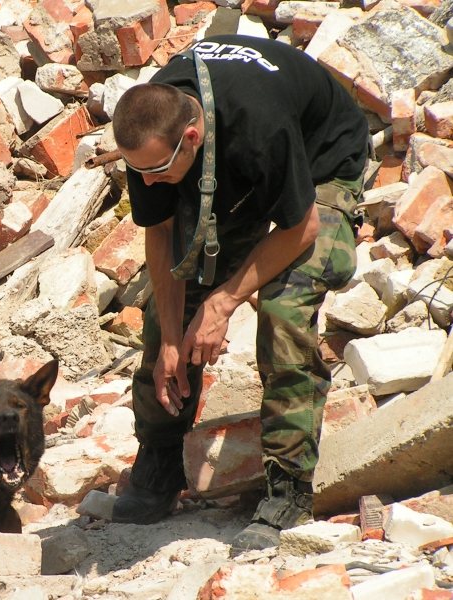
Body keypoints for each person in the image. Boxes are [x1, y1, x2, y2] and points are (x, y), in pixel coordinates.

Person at [110, 34, 370, 553]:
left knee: (283, 308)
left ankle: (288, 487)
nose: (147, 182)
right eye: (138, 172)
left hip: (320, 161)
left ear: (191, 136)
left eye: (155, 172)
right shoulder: (150, 134)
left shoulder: (259, 123)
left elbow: (301, 228)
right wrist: (170, 340)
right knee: (169, 311)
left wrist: (224, 301)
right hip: (229, 167)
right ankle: (161, 457)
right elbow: (162, 232)